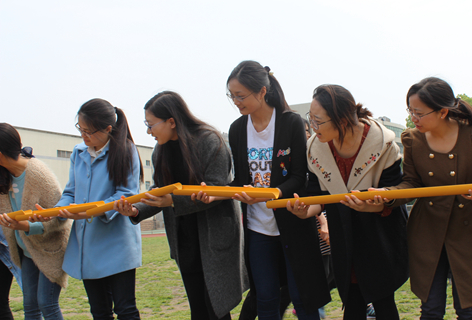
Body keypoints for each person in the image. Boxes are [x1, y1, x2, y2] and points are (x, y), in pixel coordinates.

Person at [115, 91, 248, 320]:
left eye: (151, 125)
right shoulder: (160, 150)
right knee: (198, 309)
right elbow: (159, 193)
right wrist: (136, 210)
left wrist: (173, 201)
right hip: (184, 239)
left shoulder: (210, 140)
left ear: (172, 121)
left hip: (214, 237)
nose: (149, 131)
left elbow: (218, 189)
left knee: (216, 308)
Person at [215, 60, 330, 320]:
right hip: (258, 230)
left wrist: (273, 193)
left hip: (293, 223)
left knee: (303, 297)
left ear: (262, 92)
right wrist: (217, 192)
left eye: (240, 95)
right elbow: (240, 181)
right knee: (265, 297)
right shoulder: (237, 129)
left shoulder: (291, 123)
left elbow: (301, 176)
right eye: (231, 95)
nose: (236, 101)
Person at [380, 77, 472, 319]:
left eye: (419, 113)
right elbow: (411, 183)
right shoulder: (412, 139)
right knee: (431, 309)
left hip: (468, 231)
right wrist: (387, 195)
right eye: (410, 111)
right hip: (427, 232)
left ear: (443, 112)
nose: (414, 118)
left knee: (468, 309)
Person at [288, 84, 409, 320]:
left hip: (380, 233)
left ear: (342, 120)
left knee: (384, 302)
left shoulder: (382, 143)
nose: (314, 127)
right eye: (311, 119)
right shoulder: (316, 148)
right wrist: (305, 211)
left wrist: (373, 204)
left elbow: (395, 193)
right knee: (352, 301)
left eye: (319, 121)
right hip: (343, 235)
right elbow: (318, 197)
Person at [51, 99, 144, 319]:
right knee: (99, 311)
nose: (84, 136)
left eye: (89, 131)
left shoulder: (125, 151)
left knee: (125, 309)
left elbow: (126, 194)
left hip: (118, 243)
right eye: (80, 130)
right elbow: (70, 192)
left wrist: (88, 211)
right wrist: (58, 210)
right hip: (88, 244)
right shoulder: (79, 153)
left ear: (108, 129)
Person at [0, 123, 71, 319]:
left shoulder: (38, 174)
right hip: (27, 251)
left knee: (46, 303)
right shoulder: (4, 176)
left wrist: (26, 226)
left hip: (50, 249)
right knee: (30, 306)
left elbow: (61, 218)